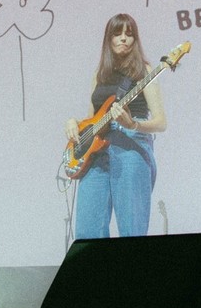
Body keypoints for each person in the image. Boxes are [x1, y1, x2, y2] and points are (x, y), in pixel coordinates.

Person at [67, 14, 167, 239]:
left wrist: (132, 123)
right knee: (86, 234)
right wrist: (74, 123)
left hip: (131, 146)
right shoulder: (99, 75)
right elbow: (92, 119)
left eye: (129, 35)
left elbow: (161, 122)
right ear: (108, 39)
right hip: (97, 153)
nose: (124, 39)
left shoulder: (145, 70)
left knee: (131, 231)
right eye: (118, 34)